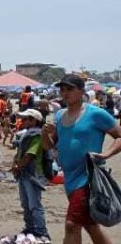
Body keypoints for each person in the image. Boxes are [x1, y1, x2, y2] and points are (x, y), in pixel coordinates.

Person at [42, 73, 121, 244]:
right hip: (70, 178)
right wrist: (45, 134)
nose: (65, 93)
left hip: (88, 177)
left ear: (81, 91)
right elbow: (49, 146)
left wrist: (106, 154)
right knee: (90, 225)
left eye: (70, 89)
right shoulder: (60, 115)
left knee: (72, 224)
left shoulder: (96, 114)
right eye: (62, 89)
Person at [6, 109, 52, 244]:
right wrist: (16, 165)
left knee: (34, 204)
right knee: (26, 204)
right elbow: (20, 153)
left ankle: (41, 232)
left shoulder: (37, 135)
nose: (23, 121)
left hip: (33, 173)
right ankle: (30, 228)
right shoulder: (27, 134)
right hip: (24, 173)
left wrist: (18, 166)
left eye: (26, 119)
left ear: (34, 121)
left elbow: (31, 154)